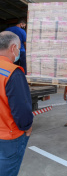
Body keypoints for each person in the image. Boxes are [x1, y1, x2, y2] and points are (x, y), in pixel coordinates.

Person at [0, 31, 33, 176]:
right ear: (13, 48)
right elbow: (21, 109)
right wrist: (27, 127)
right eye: (19, 48)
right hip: (9, 137)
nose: (19, 52)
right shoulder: (12, 73)